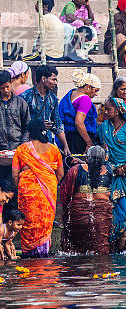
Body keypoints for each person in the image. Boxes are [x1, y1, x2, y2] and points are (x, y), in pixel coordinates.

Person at [12, 118, 65, 257]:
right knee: (44, 223)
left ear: (29, 133)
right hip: (48, 191)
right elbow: (60, 174)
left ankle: (29, 255)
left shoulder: (22, 149)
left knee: (28, 222)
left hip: (27, 192)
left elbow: (14, 175)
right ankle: (43, 255)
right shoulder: (54, 149)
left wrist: (21, 187)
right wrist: (49, 185)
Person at [58, 145, 112, 255]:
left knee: (76, 250)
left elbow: (64, 193)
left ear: (86, 158)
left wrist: (66, 211)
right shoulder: (109, 170)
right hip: (101, 218)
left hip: (78, 215)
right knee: (100, 251)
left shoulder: (75, 170)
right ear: (104, 159)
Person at [0, 69, 30, 183]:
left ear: (11, 83)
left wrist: (22, 145)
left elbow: (27, 126)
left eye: (7, 86)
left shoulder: (21, 103)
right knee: (1, 180)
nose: (5, 90)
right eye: (2, 88)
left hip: (17, 147)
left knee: (16, 180)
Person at [20, 64, 71, 155]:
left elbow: (58, 124)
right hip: (29, 144)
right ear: (43, 79)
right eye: (53, 79)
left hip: (46, 144)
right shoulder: (25, 97)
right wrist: (38, 125)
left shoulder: (53, 98)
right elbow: (21, 122)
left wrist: (66, 146)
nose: (55, 82)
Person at [99, 97, 126, 252]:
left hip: (124, 175)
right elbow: (104, 151)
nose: (106, 111)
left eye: (108, 109)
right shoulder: (104, 127)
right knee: (112, 212)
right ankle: (114, 248)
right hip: (111, 176)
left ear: (118, 110)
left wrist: (124, 168)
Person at [59, 69, 102, 154]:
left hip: (68, 137)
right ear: (88, 87)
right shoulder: (85, 99)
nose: (96, 94)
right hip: (80, 138)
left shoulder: (71, 94)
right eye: (96, 90)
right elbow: (79, 123)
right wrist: (89, 142)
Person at [104, 0, 126, 67]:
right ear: (123, 8)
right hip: (113, 44)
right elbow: (119, 32)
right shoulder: (116, 17)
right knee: (120, 37)